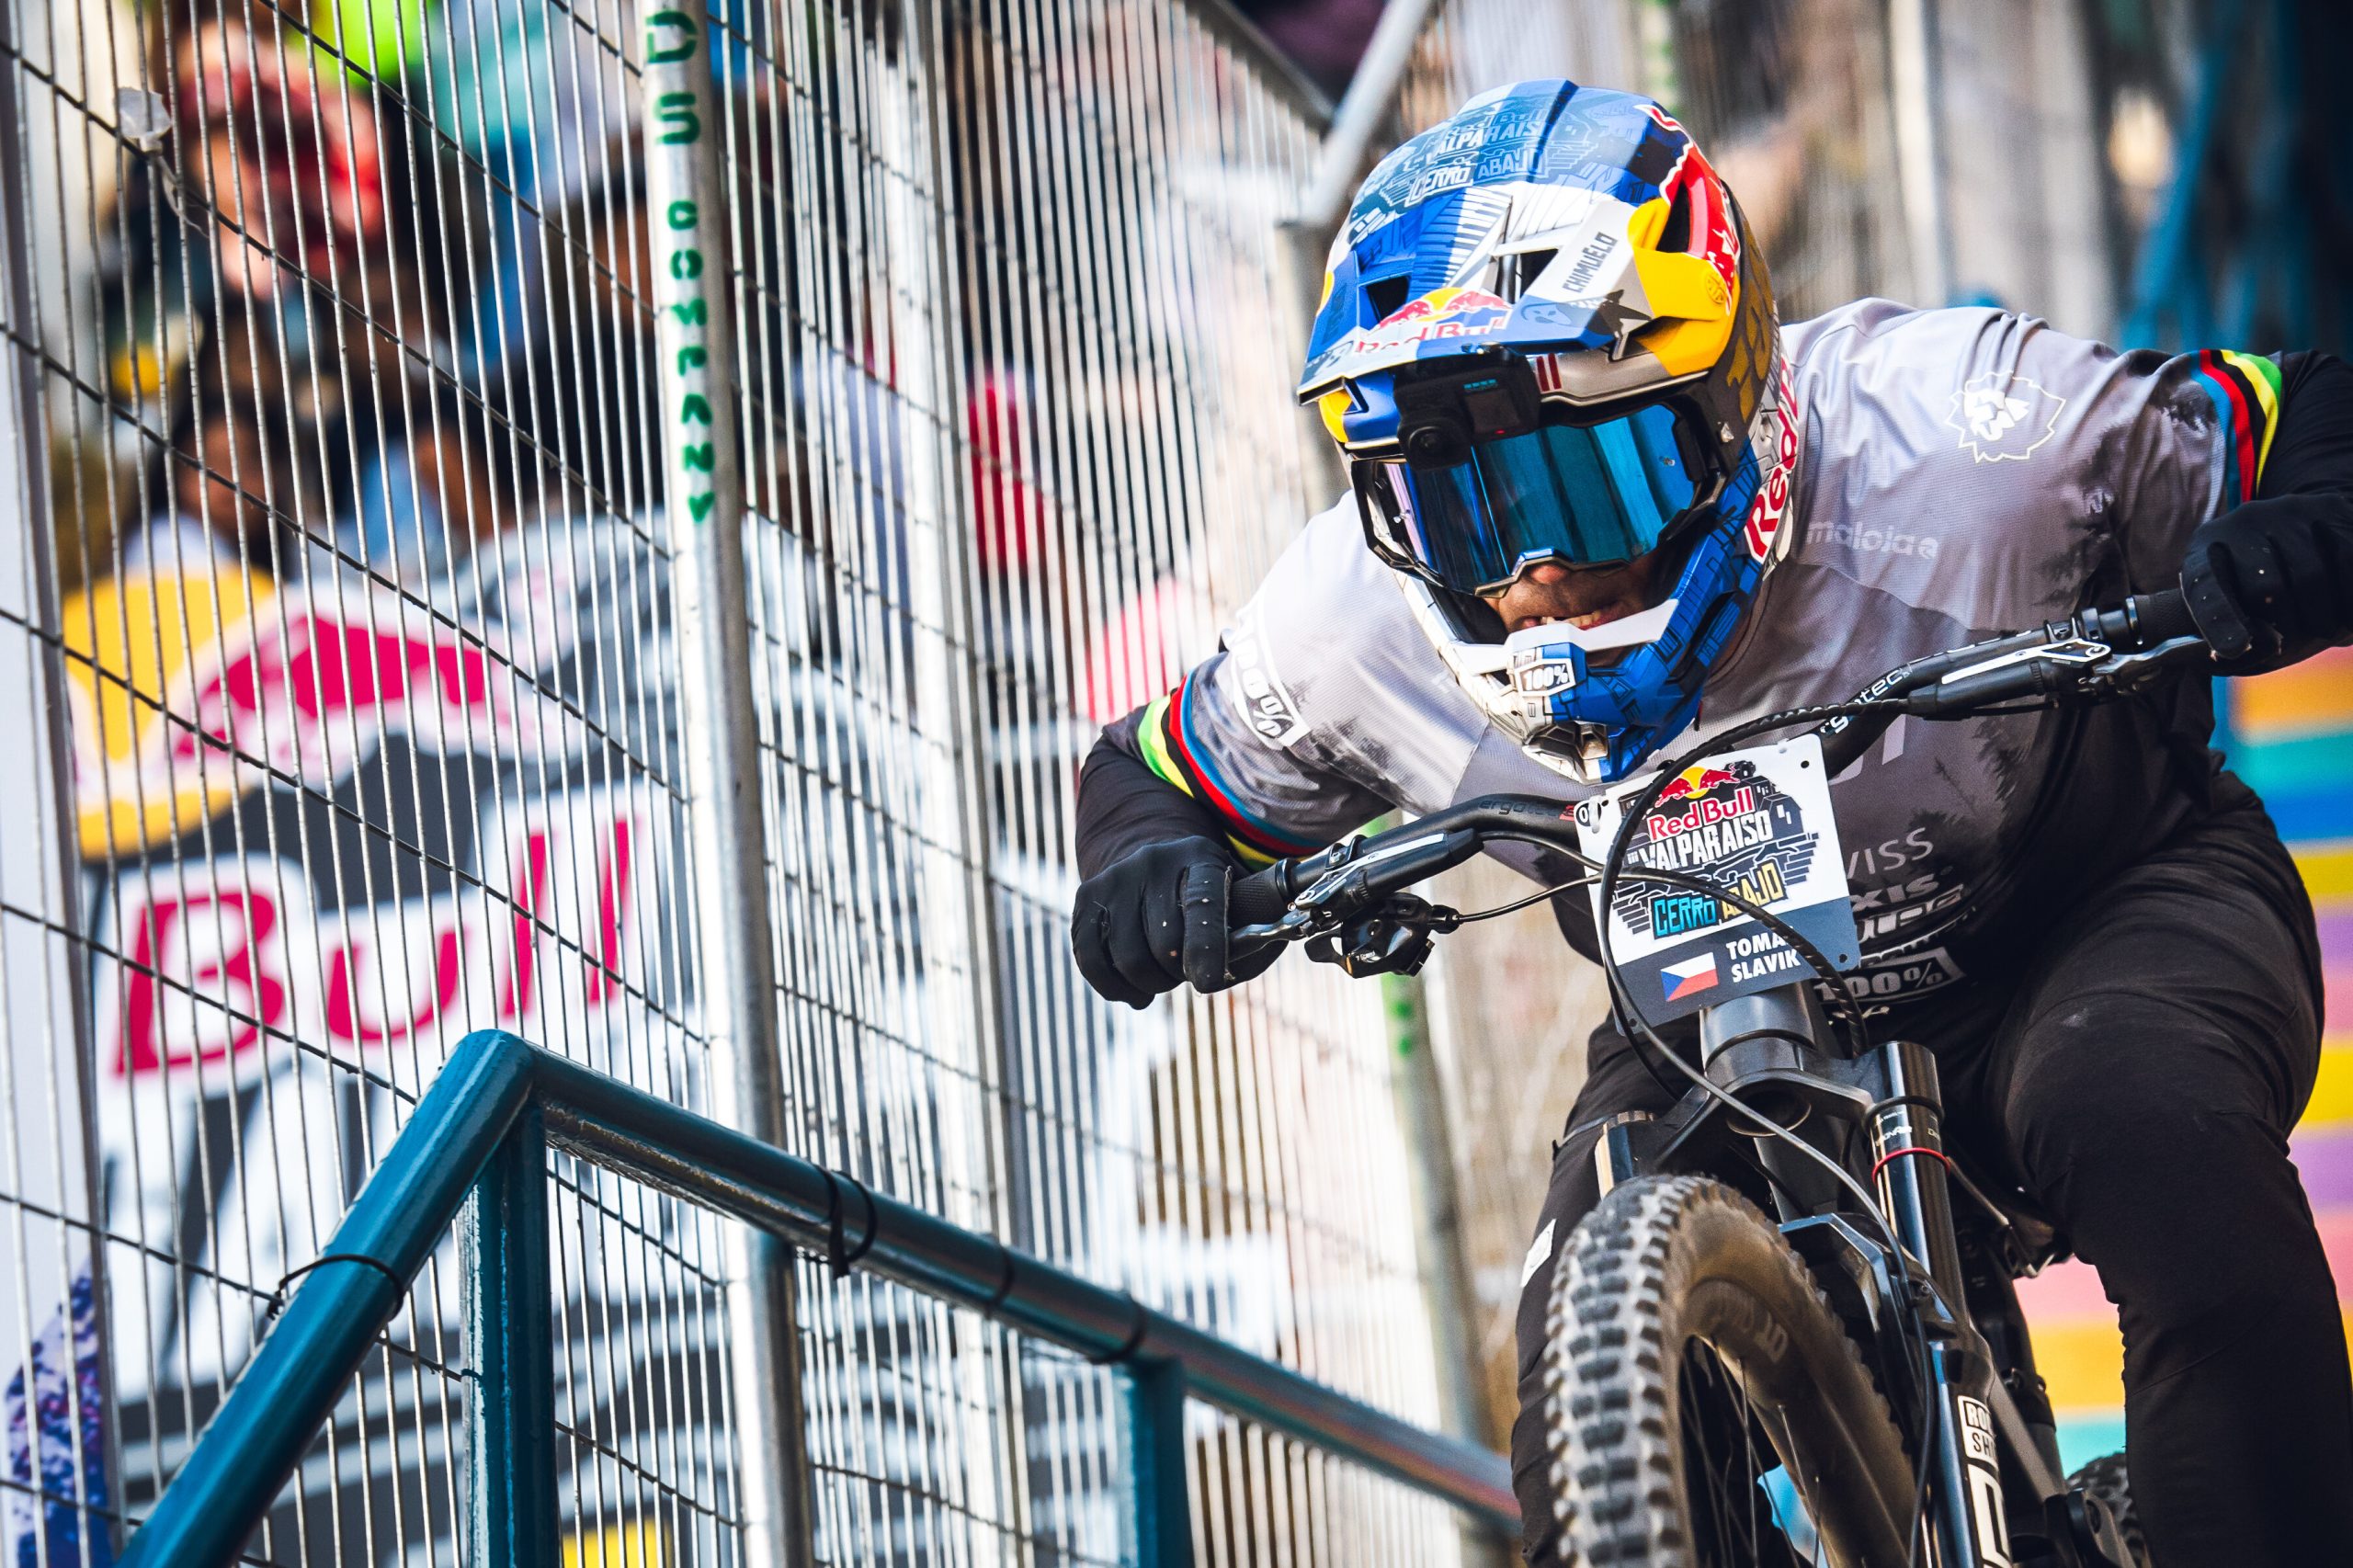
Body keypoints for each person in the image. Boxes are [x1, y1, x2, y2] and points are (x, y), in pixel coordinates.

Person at [1065, 80, 2353, 1565]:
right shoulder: (1357, 618)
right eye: (1463, 510)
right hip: (1713, 1000)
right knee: (1577, 1342)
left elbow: (2297, 409)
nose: (1535, 572)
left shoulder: (1959, 429)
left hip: (2097, 898)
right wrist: (1153, 871)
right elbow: (1158, 773)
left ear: (1732, 403)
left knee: (2151, 1123)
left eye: (1591, 477)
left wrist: (2300, 523)